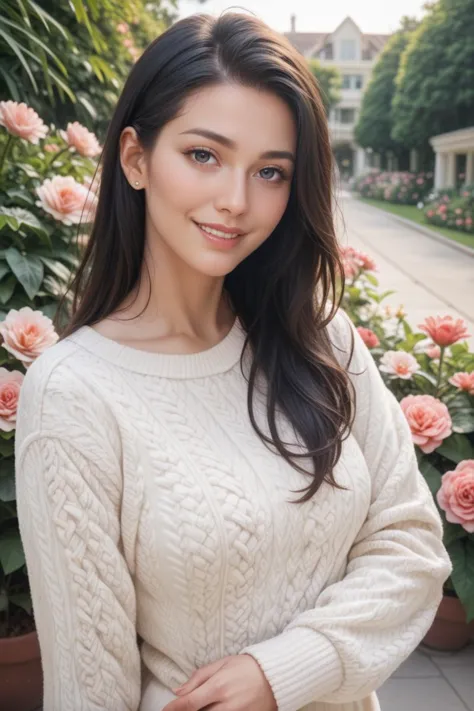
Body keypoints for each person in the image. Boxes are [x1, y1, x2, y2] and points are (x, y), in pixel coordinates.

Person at [15, 12, 452, 711]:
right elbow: (89, 688)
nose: (237, 201)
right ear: (135, 158)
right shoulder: (75, 392)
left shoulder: (322, 338)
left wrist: (283, 669)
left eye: (271, 171)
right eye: (204, 155)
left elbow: (411, 545)